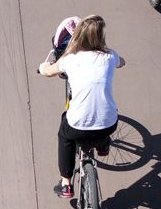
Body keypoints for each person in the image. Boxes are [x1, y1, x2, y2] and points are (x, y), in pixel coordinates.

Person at [37, 15, 124, 199]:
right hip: (109, 125)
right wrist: (119, 61)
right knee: (106, 114)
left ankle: (66, 183)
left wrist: (43, 66)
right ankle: (102, 146)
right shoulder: (109, 56)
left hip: (77, 127)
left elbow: (48, 71)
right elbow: (121, 62)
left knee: (64, 134)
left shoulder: (69, 60)